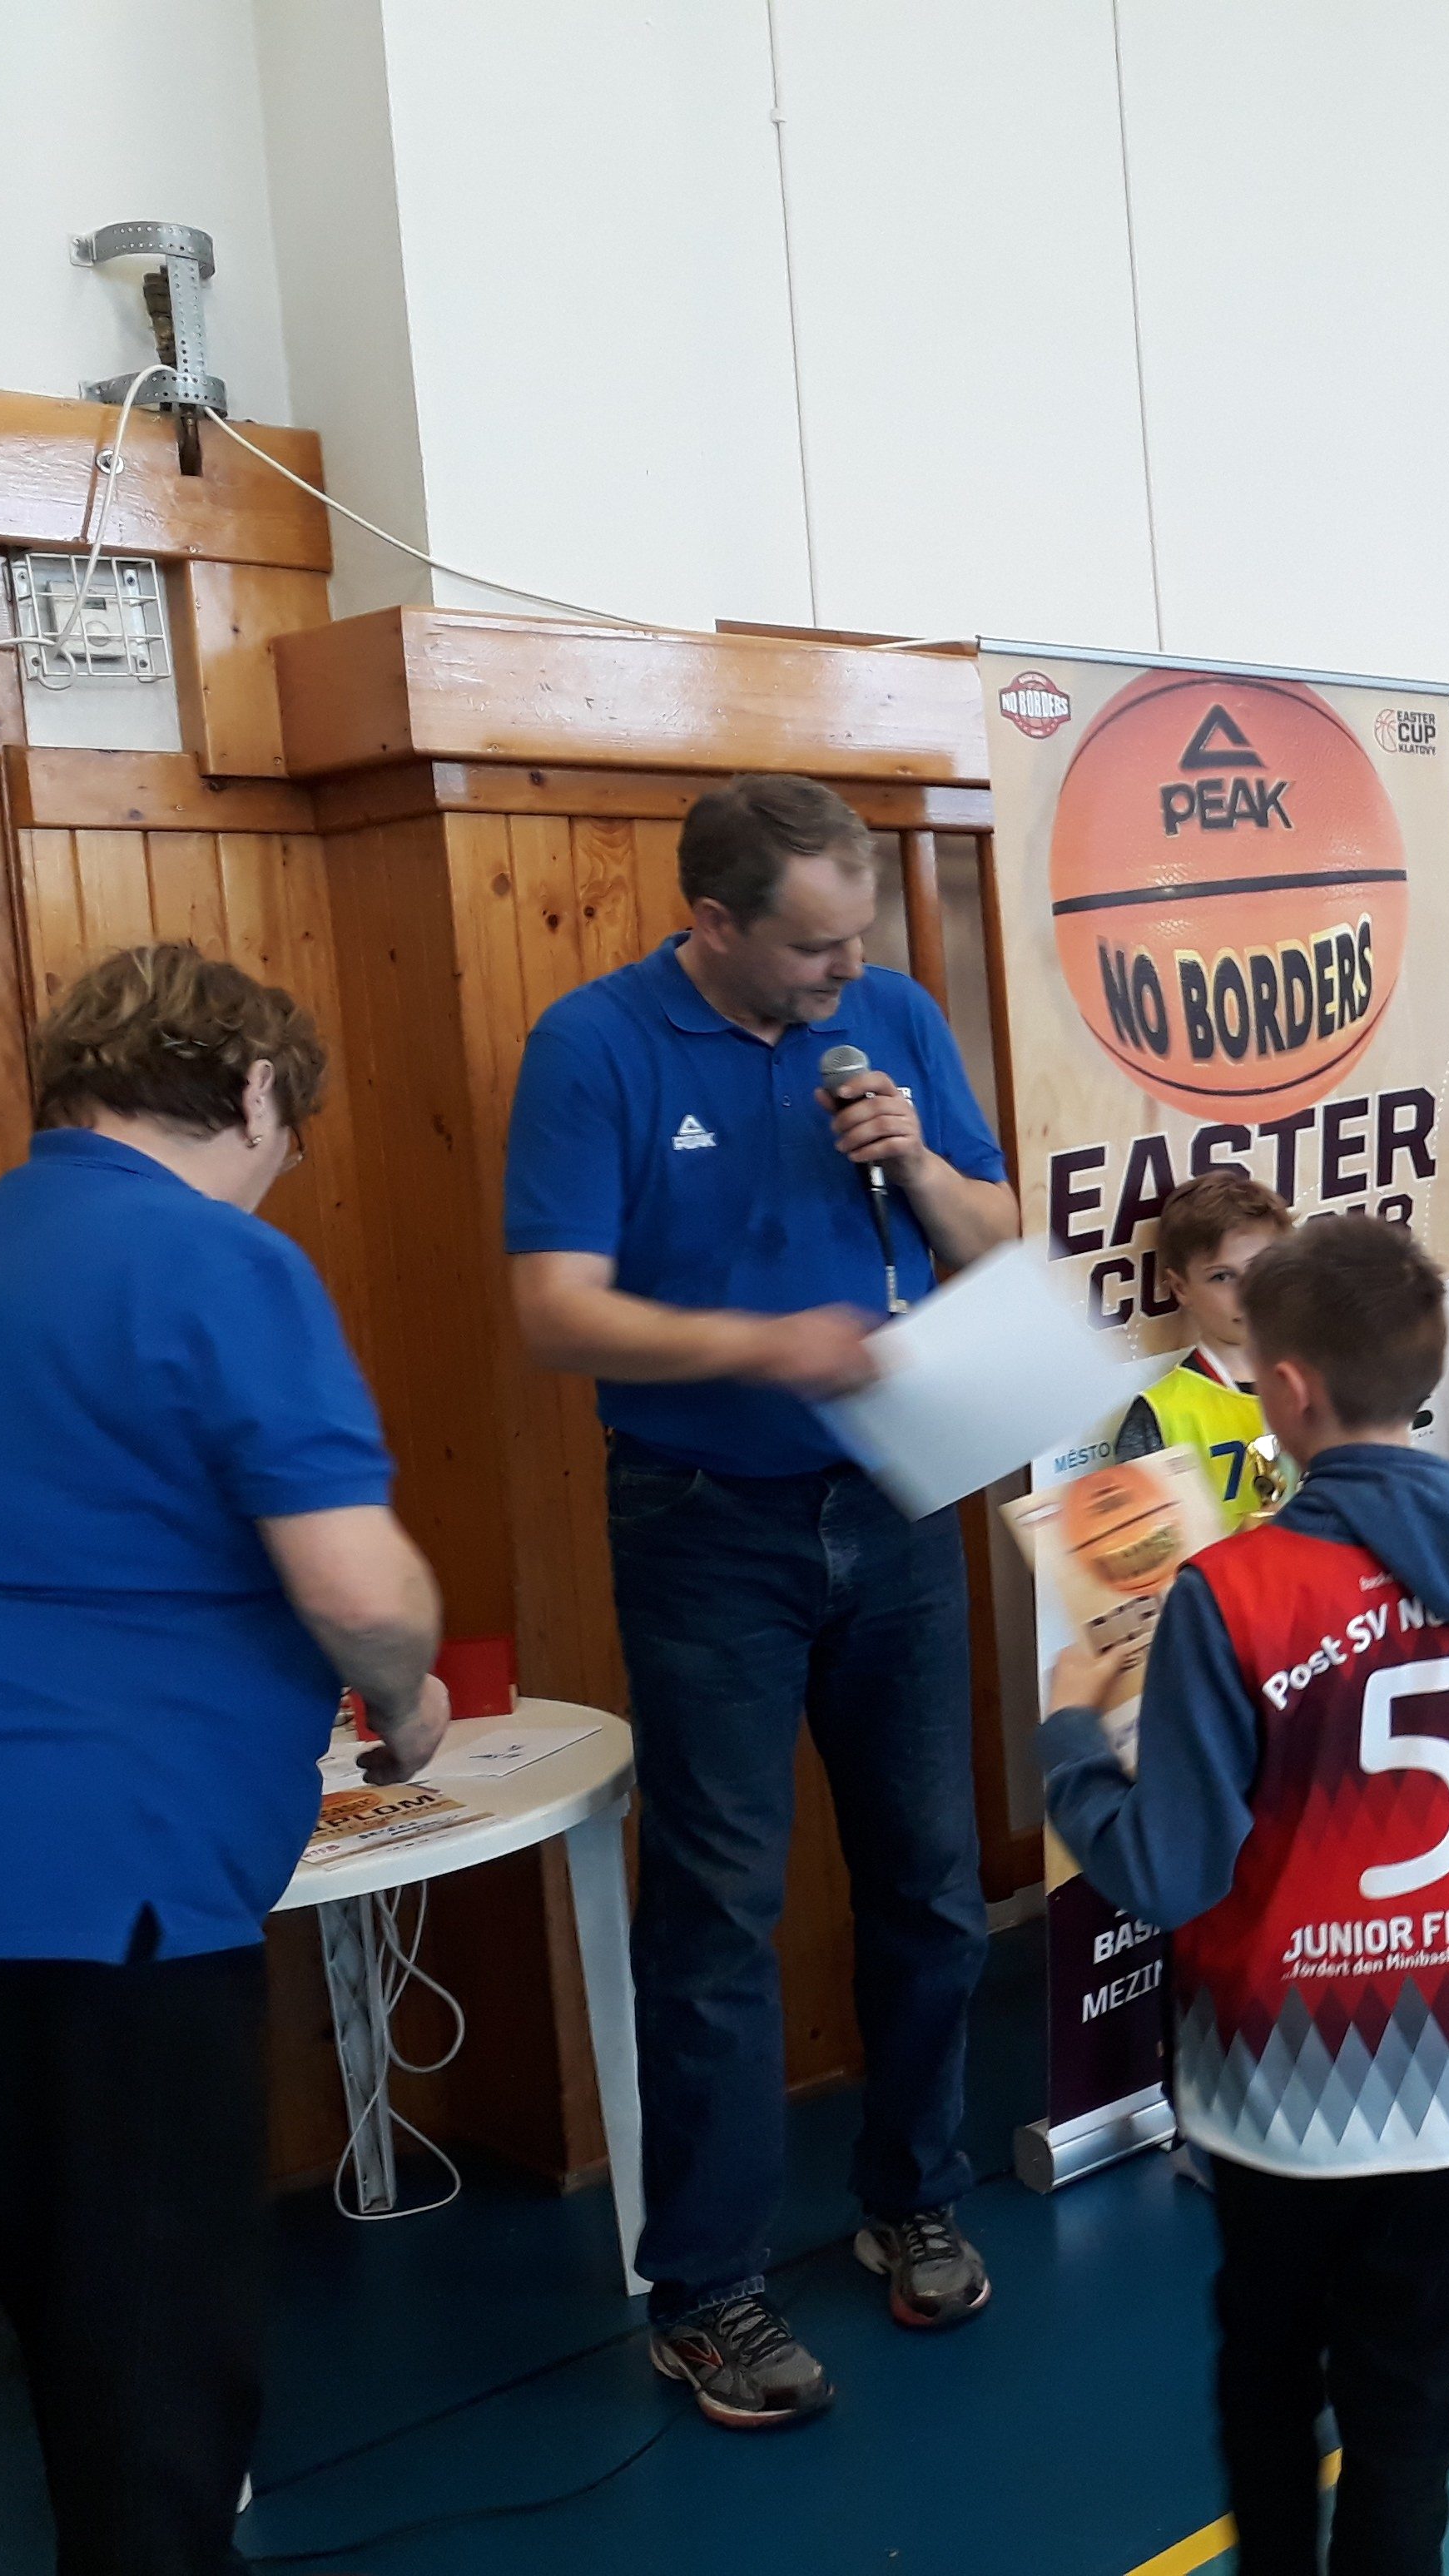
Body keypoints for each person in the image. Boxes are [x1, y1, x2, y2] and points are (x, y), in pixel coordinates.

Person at [504, 774, 1020, 2422]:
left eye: (857, 939)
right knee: (718, 1906)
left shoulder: (894, 1019)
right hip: (703, 1521)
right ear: (713, 923)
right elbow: (556, 1310)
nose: (845, 972)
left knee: (930, 1881)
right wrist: (759, 1345)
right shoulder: (596, 1047)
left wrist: (917, 1160)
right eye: (812, 948)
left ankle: (910, 2193)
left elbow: (997, 1230)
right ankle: (708, 2289)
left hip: (895, 1497)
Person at [0, 945, 449, 2576]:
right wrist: (410, 1697)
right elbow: (357, 1589)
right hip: (115, 1894)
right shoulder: (218, 1263)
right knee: (146, 2387)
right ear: (254, 1093)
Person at [1040, 1215, 1449, 2576]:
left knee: (1270, 2377)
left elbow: (1167, 1870)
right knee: (1411, 2402)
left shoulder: (1234, 1591)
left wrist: (1069, 1745)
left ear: (1285, 1390)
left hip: (1282, 2081)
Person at [1104, 1172, 1293, 1523]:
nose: (1248, 1293)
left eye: (1262, 1268)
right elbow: (1152, 1548)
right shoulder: (1160, 1414)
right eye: (1222, 1276)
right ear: (1181, 1288)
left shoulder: (1327, 1384)